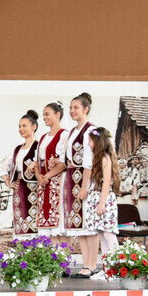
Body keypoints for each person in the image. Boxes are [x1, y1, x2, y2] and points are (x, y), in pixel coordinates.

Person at [59, 93, 97, 277]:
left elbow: (89, 161)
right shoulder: (73, 131)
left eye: (76, 107)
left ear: (85, 109)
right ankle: (85, 263)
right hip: (72, 178)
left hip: (84, 178)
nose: (72, 111)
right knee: (79, 225)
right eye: (71, 108)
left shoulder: (92, 130)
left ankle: (92, 264)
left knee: (89, 224)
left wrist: (85, 186)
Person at [1, 110, 40, 239]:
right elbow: (2, 166)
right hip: (18, 190)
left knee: (34, 220)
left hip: (34, 190)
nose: (21, 129)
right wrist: (8, 182)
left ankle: (36, 247)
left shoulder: (39, 146)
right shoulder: (18, 149)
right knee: (20, 220)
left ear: (34, 127)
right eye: (19, 126)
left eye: (24, 126)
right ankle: (22, 248)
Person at [85, 127, 120, 263]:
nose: (88, 144)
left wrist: (102, 203)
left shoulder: (105, 159)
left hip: (104, 199)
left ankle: (117, 264)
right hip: (96, 197)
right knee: (101, 234)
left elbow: (107, 182)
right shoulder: (97, 158)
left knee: (108, 233)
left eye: (90, 141)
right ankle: (107, 266)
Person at [35, 101, 67, 243]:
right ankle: (50, 253)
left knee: (58, 221)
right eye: (43, 115)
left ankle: (62, 252)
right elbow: (37, 161)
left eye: (47, 114)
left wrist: (47, 176)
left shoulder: (63, 135)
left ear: (57, 114)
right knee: (46, 221)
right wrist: (39, 176)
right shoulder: (43, 137)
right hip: (43, 184)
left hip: (57, 182)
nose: (44, 118)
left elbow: (64, 162)